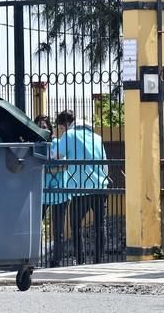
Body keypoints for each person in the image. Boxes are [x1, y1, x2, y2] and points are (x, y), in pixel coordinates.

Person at [55, 109, 108, 264]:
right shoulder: (97, 137)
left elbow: (57, 155)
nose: (61, 131)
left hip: (79, 187)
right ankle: (99, 259)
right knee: (100, 225)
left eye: (60, 128)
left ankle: (81, 259)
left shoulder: (69, 135)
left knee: (76, 226)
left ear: (64, 125)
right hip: (99, 186)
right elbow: (105, 163)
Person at [35, 115, 70, 267]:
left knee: (58, 230)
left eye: (45, 126)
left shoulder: (57, 143)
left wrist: (45, 168)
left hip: (58, 191)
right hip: (40, 192)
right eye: (39, 126)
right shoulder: (34, 145)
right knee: (35, 228)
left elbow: (63, 165)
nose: (43, 129)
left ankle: (56, 261)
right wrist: (49, 168)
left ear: (49, 128)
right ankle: (33, 258)